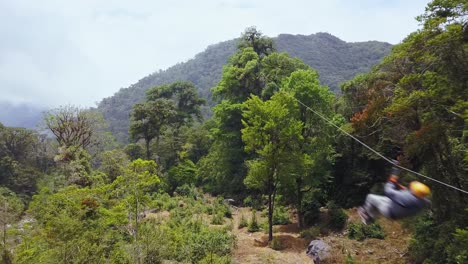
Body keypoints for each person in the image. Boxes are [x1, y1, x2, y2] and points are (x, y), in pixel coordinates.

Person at [358, 164, 431, 224]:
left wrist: (392, 179)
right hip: (395, 209)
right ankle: (372, 216)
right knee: (376, 204)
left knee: (370, 197)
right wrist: (399, 185)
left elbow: (388, 191)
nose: (411, 188)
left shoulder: (409, 198)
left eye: (412, 189)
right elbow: (409, 193)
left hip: (389, 210)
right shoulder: (421, 200)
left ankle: (367, 217)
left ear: (415, 192)